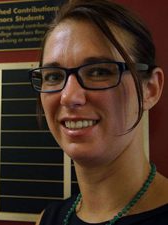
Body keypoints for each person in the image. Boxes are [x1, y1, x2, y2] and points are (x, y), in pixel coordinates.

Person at [28, 0, 168, 224]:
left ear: (150, 89)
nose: (69, 97)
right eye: (54, 76)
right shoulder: (48, 219)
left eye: (99, 71)